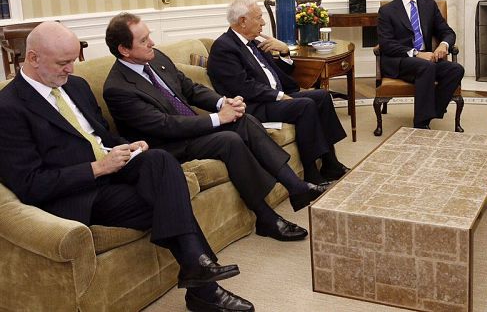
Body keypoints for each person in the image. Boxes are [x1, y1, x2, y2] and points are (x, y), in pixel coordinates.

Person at [0, 22, 253, 312]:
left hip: (112, 169)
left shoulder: (77, 86)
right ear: (33, 58)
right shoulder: (8, 109)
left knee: (158, 159)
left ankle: (196, 273)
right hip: (79, 194)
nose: (71, 69)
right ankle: (204, 287)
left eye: (72, 61)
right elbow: (31, 185)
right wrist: (98, 168)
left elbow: (102, 136)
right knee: (171, 199)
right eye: (63, 63)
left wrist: (128, 145)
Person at [102, 13, 327, 243]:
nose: (152, 43)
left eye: (149, 36)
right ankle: (267, 216)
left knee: (244, 118)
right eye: (143, 40)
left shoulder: (155, 58)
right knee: (229, 140)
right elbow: (165, 125)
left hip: (191, 130)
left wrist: (223, 103)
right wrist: (218, 118)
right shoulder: (118, 88)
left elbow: (190, 88)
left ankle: (295, 187)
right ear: (124, 49)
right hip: (167, 146)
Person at [207, 0, 349, 184]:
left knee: (322, 96)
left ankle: (330, 164)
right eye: (258, 17)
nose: (263, 22)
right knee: (305, 105)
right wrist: (279, 96)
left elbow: (275, 74)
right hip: (254, 106)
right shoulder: (224, 47)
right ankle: (311, 173)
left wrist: (284, 52)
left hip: (272, 98)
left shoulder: (256, 43)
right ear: (242, 21)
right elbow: (242, 86)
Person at [377, 0, 465, 130]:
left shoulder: (429, 6)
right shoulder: (387, 11)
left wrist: (443, 45)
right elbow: (387, 44)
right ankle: (421, 124)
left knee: (456, 70)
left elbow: (448, 32)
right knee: (426, 66)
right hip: (399, 61)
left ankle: (432, 112)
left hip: (427, 61)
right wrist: (416, 53)